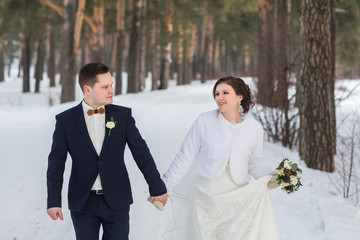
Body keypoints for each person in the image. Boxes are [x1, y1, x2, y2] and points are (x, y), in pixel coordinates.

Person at [46, 62, 168, 240]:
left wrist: (157, 187)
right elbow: (56, 165)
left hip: (117, 200)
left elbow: (142, 154)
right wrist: (53, 201)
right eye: (104, 87)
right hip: (83, 202)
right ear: (87, 90)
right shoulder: (66, 121)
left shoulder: (122, 116)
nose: (111, 90)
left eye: (111, 85)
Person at [162, 76, 279, 239]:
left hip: (239, 196)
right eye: (216, 94)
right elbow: (184, 157)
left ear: (240, 97)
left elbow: (254, 162)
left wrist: (272, 176)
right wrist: (164, 187)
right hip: (207, 196)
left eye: (225, 93)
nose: (219, 97)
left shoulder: (254, 128)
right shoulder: (204, 121)